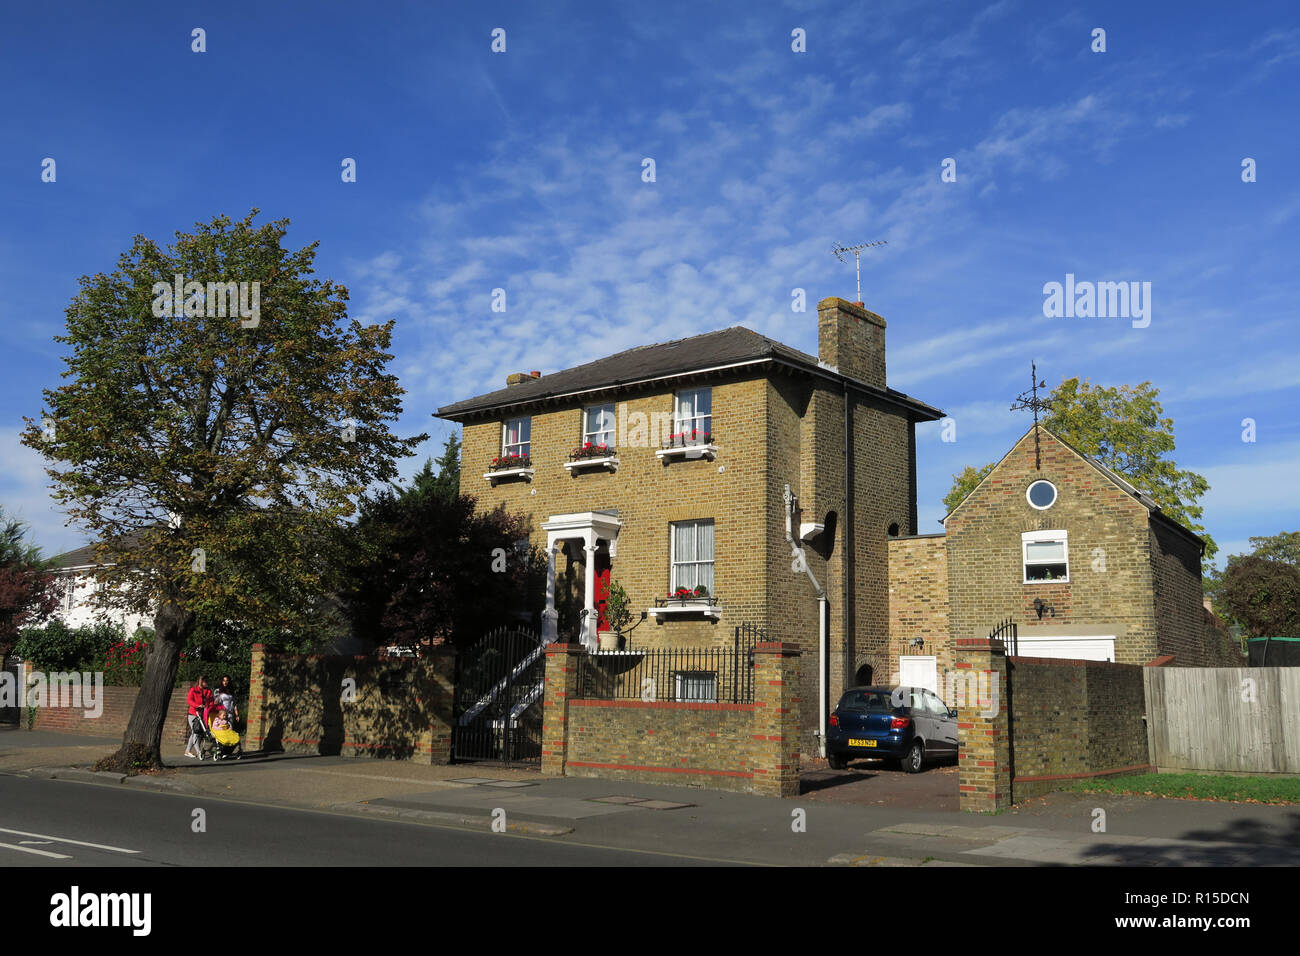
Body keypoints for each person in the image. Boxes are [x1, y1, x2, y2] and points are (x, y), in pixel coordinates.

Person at [184, 675, 212, 759]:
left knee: (194, 733)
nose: (206, 683)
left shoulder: (208, 691)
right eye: (204, 681)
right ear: (200, 681)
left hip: (203, 714)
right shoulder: (194, 690)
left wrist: (210, 706)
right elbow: (189, 700)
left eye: (207, 681)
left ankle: (187, 751)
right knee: (195, 732)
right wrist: (197, 705)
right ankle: (199, 751)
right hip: (193, 714)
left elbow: (210, 701)